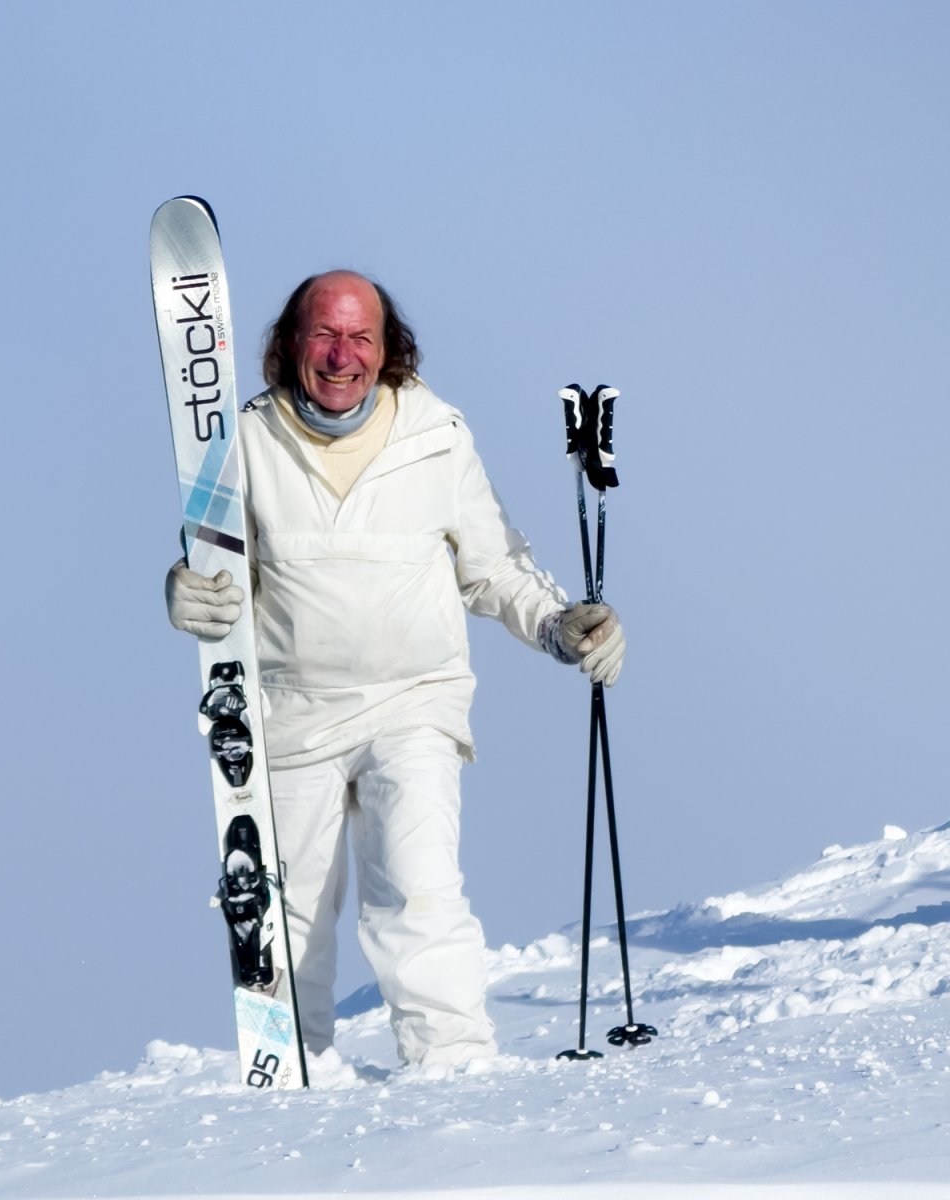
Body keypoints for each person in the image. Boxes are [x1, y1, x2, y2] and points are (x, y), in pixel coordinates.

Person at [165, 270, 625, 1070]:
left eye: (361, 338)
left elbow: (493, 568)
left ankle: (453, 1067)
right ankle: (290, 1083)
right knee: (288, 915)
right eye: (324, 335)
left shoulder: (436, 433)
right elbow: (218, 579)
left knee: (417, 889)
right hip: (289, 715)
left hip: (413, 704)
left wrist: (561, 627)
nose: (342, 356)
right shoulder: (244, 442)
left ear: (389, 351)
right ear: (288, 346)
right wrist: (187, 594)